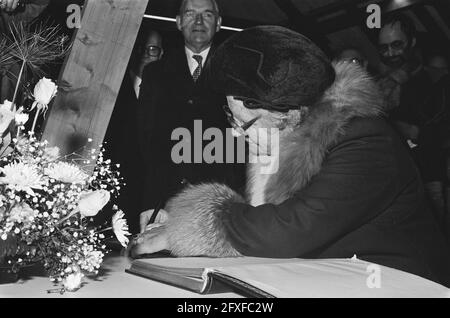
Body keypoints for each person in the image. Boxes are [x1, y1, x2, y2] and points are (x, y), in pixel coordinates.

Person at [130, 26, 450, 287]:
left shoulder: (365, 140)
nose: (239, 133)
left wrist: (186, 228)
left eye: (246, 122)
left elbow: (290, 229)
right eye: (232, 118)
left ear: (290, 112)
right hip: (335, 278)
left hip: (400, 286)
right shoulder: (284, 136)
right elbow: (262, 214)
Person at [136, 0, 245, 215]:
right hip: (163, 196)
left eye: (207, 15)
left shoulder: (238, 75)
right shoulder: (155, 74)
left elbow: (242, 141)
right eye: (190, 13)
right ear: (178, 22)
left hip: (218, 198)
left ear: (219, 23)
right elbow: (144, 136)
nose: (198, 21)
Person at [377, 14, 448, 224]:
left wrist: (406, 131)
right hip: (393, 184)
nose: (390, 53)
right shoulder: (378, 87)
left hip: (431, 180)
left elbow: (443, 134)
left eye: (397, 44)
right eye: (384, 48)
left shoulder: (438, 80)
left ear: (412, 42)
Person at [102, 29, 164, 234]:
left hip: (149, 194)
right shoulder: (113, 87)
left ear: (161, 54)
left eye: (153, 49)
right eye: (142, 49)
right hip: (113, 189)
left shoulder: (167, 93)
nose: (146, 54)